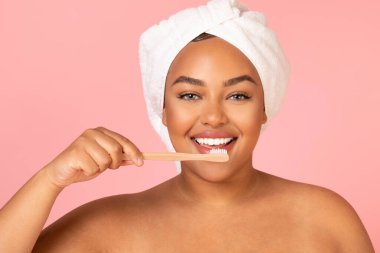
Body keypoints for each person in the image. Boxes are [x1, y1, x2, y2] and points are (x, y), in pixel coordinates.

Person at [0, 0, 374, 252]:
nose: (213, 117)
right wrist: (50, 180)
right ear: (163, 110)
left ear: (265, 108)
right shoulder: (103, 227)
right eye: (190, 96)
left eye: (238, 96)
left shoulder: (326, 218)